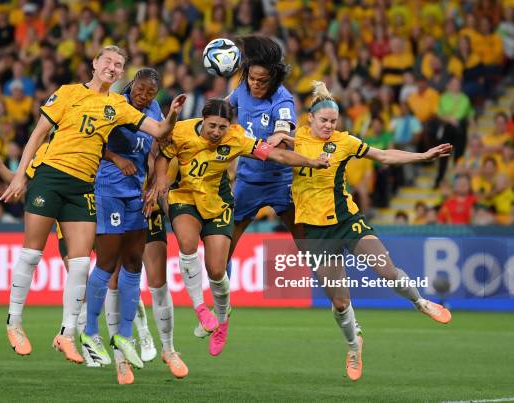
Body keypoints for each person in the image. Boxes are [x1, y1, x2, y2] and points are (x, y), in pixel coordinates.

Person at [1, 45, 185, 366]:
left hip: (83, 186)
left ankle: (67, 335)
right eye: (108, 62)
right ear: (95, 63)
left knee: (82, 264)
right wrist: (19, 175)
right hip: (51, 177)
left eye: (119, 64)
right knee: (32, 254)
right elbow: (38, 134)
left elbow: (158, 131)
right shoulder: (68, 93)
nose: (113, 68)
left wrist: (171, 115)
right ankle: (14, 323)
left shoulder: (118, 105)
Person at [291, 81, 453, 382]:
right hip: (315, 229)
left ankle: (421, 302)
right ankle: (354, 345)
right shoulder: (294, 139)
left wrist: (422, 156)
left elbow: (384, 156)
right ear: (310, 119)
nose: (329, 125)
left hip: (347, 220)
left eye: (333, 121)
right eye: (323, 120)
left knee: (386, 270)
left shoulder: (345, 142)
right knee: (340, 301)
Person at [148, 98, 329, 357]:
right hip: (185, 197)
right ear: (203, 119)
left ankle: (222, 321)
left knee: (217, 270)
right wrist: (162, 180)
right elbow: (163, 156)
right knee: (187, 244)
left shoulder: (236, 138)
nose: (216, 132)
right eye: (212, 126)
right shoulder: (182, 130)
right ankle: (200, 309)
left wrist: (311, 161)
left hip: (218, 203)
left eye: (222, 127)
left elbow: (276, 154)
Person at [79, 67, 187, 384]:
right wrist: (115, 159)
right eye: (139, 90)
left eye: (150, 93)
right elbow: (91, 140)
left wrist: (155, 182)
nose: (144, 97)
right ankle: (88, 333)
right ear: (130, 87)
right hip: (109, 189)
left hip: (137, 194)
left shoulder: (153, 110)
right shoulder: (114, 103)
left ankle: (128, 336)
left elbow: (159, 145)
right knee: (108, 263)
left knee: (133, 263)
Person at [191, 35, 300, 337]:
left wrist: (277, 137)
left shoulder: (283, 99)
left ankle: (342, 306)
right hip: (248, 182)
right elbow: (222, 113)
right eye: (251, 78)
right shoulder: (241, 91)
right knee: (223, 248)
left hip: (280, 182)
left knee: (310, 244)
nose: (255, 84)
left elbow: (284, 127)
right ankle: (219, 311)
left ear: (273, 79)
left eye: (261, 81)